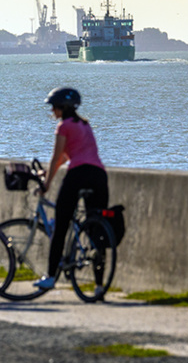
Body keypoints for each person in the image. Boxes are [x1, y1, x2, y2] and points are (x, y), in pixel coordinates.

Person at [34, 87, 109, 296]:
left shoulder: (63, 126)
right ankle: (99, 285)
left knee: (61, 225)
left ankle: (50, 277)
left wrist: (46, 184)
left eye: (54, 107)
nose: (52, 111)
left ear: (61, 108)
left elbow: (57, 155)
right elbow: (70, 154)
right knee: (96, 230)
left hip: (78, 175)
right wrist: (48, 172)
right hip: (99, 175)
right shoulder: (84, 124)